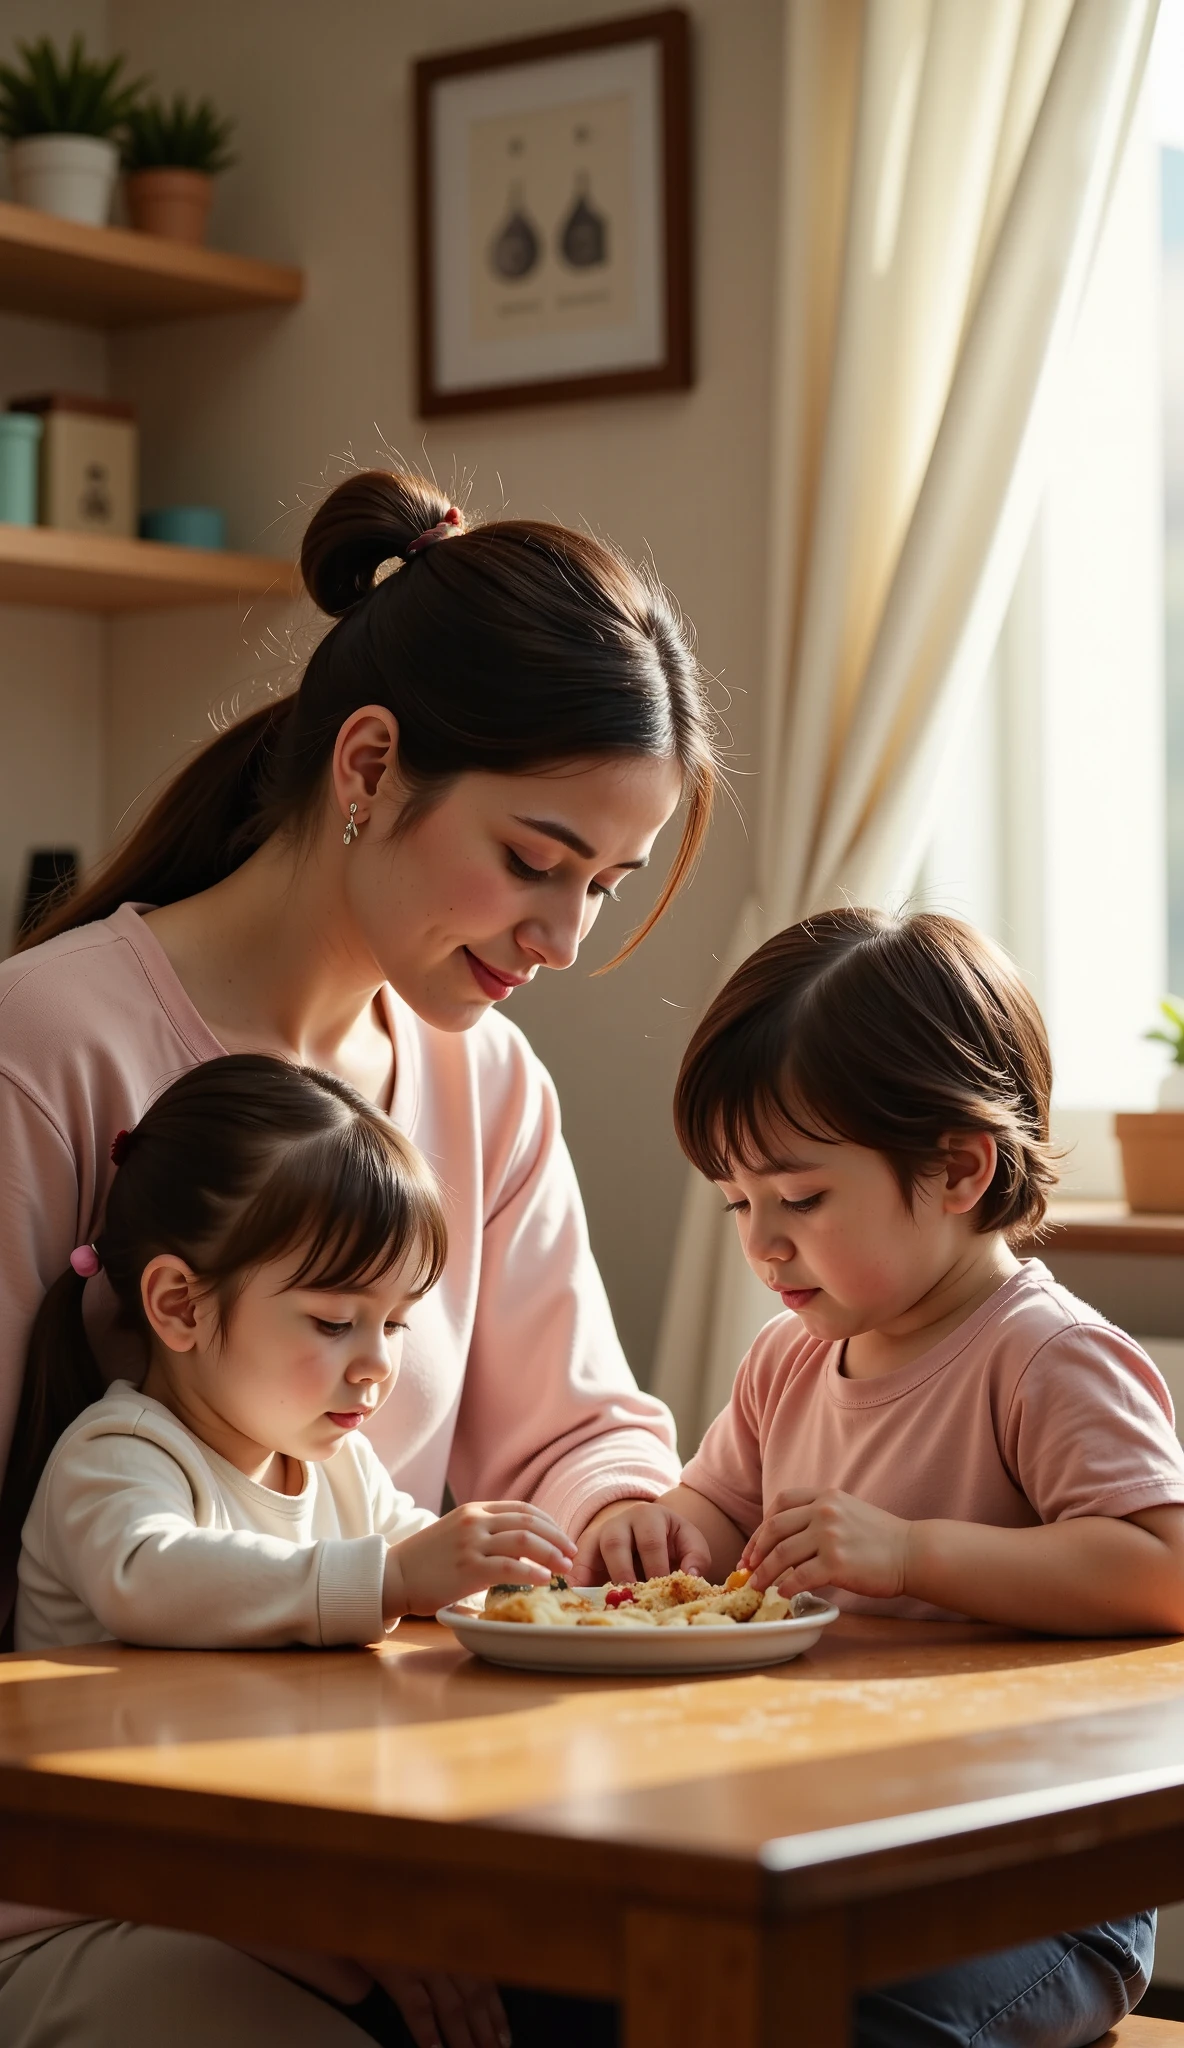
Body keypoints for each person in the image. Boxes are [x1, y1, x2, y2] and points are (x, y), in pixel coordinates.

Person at [0, 467, 713, 2045]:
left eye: (604, 883)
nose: (566, 937)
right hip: (114, 1872)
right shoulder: (48, 1047)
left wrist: (632, 1540)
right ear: (372, 765)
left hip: (416, 1828)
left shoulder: (485, 1079)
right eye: (536, 860)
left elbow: (576, 1429)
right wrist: (304, 1901)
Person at [584, 907, 1184, 2048]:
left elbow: (1163, 1571)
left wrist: (912, 1553)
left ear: (958, 1165)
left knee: (845, 2024)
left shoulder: (1044, 1355)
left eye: (799, 1199)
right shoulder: (787, 1357)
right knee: (601, 1990)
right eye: (737, 1202)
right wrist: (662, 1530)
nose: (761, 1243)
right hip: (835, 1851)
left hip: (1034, 1891)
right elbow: (717, 1503)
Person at [12, 1051, 580, 2048]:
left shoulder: (333, 1473)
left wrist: (505, 1585)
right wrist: (395, 1576)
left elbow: (416, 1556)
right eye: (332, 1319)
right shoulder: (120, 1456)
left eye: (396, 1322)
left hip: (249, 1884)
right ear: (179, 1305)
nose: (375, 1363)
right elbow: (151, 1577)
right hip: (80, 1915)